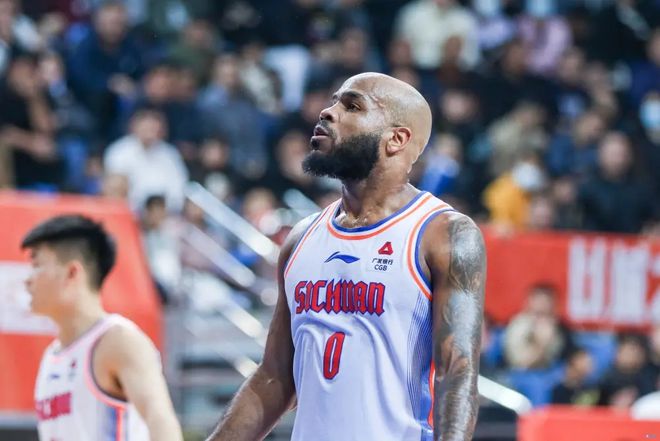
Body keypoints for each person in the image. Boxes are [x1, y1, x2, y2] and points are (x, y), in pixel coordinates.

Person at [207, 72, 486, 440]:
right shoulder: (301, 238)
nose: (328, 112)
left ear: (396, 139)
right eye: (333, 101)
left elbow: (457, 371)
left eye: (352, 106)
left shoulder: (441, 233)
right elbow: (274, 377)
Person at [23, 215, 183, 441]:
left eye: (37, 266)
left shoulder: (118, 341)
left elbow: (161, 420)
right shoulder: (51, 356)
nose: (28, 280)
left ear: (72, 273)